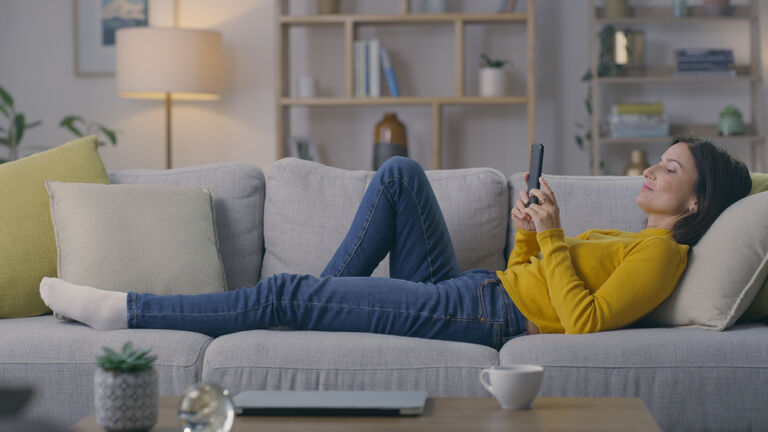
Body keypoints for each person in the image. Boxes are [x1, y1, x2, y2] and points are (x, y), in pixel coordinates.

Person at [39, 137, 752, 348]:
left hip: (484, 314)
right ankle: (305, 305)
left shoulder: (665, 254)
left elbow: (584, 323)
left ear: (696, 201)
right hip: (482, 293)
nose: (653, 169)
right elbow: (543, 278)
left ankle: (125, 309)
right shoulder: (636, 238)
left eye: (670, 168)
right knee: (401, 175)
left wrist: (554, 237)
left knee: (289, 293)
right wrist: (531, 235)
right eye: (659, 159)